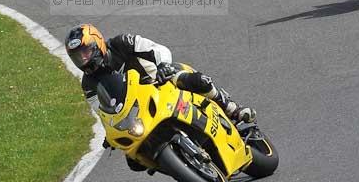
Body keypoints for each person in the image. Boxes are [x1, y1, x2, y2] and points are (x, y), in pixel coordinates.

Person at [65, 23, 256, 171]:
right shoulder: (88, 85)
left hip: (161, 80)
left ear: (97, 43)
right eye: (77, 57)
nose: (83, 59)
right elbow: (101, 111)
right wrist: (109, 132)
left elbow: (158, 49)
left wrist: (163, 65)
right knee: (135, 162)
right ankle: (180, 166)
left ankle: (233, 109)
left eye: (85, 52)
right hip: (137, 110)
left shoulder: (121, 43)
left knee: (198, 81)